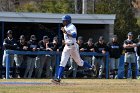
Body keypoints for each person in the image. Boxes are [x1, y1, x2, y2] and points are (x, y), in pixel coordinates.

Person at [51, 15, 95, 83]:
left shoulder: (72, 26)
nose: (63, 21)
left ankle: (91, 67)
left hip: (73, 46)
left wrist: (66, 32)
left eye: (64, 20)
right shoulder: (65, 27)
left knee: (79, 63)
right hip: (66, 47)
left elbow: (74, 35)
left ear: (68, 21)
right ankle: (58, 78)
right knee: (62, 62)